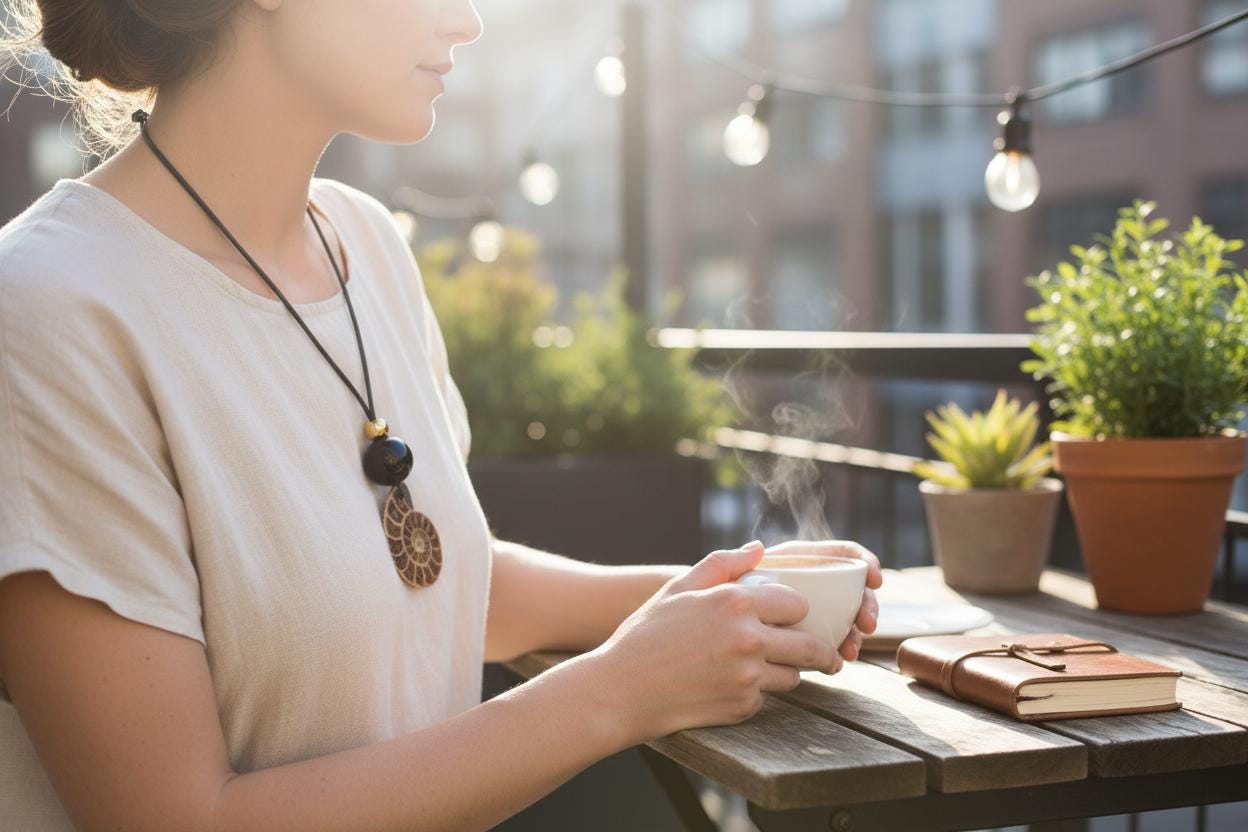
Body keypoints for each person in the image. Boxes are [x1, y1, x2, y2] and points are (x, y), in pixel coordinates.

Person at [0, 1, 881, 829]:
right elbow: (176, 819)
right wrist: (619, 690)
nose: (467, 20)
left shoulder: (368, 245)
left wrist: (725, 602)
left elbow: (426, 580)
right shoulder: (49, 309)